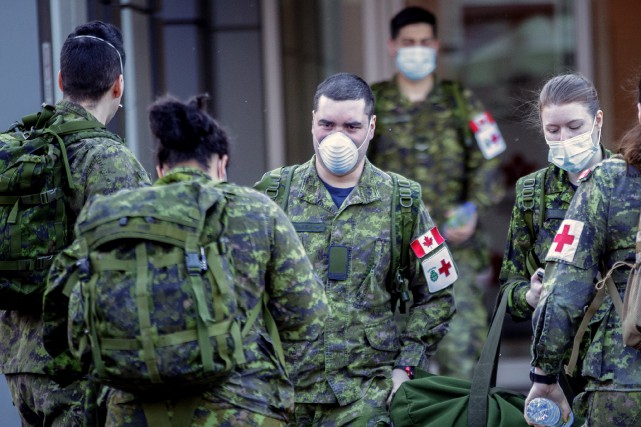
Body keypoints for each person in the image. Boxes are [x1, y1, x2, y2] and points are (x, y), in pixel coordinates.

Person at [45, 93, 329, 426]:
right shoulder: (256, 211)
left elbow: (65, 313)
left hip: (132, 413)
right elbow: (309, 315)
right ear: (221, 163)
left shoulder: (115, 215)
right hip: (240, 410)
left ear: (161, 167)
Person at [255, 72, 456, 426]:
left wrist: (406, 367)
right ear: (312, 122)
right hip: (283, 394)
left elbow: (438, 292)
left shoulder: (402, 201)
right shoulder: (275, 193)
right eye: (326, 124)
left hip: (366, 395)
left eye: (351, 126)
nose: (337, 137)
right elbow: (239, 286)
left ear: (372, 127)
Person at [0, 21, 151, 426]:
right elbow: (133, 267)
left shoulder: (26, 143)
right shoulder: (109, 159)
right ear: (118, 86)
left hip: (20, 361)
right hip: (76, 367)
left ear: (62, 79)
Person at [369, 6, 506, 380]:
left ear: (436, 45)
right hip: (393, 256)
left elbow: (490, 160)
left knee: (466, 367)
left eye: (424, 42)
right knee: (397, 370)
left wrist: (473, 207)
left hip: (453, 251)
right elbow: (356, 167)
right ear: (392, 46)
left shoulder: (461, 101)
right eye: (408, 42)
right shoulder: (373, 104)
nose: (417, 49)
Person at [524, 77, 641, 426]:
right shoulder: (533, 192)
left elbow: (563, 290)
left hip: (624, 382)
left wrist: (544, 377)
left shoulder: (608, 180)